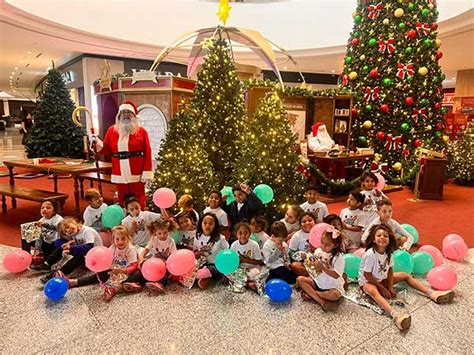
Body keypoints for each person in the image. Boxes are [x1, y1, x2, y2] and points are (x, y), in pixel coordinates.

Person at [359, 224, 454, 331]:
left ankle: (432, 293)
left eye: (385, 236)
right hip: (368, 281)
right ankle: (396, 315)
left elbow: (390, 270)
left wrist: (389, 286)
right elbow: (367, 275)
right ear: (374, 239)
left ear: (389, 239)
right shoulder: (370, 255)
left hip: (382, 278)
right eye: (379, 235)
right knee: (372, 290)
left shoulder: (388, 252)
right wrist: (382, 288)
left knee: (405, 275)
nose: (382, 237)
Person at [92, 101, 153, 209]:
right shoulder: (112, 130)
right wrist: (96, 141)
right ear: (119, 115)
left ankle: (140, 218)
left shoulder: (141, 132)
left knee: (138, 197)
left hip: (136, 171)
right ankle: (124, 219)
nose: (126, 115)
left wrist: (146, 171)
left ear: (134, 115)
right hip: (119, 171)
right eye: (123, 112)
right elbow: (105, 149)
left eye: (128, 112)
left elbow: (147, 152)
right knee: (122, 197)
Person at [66, 225, 139, 302]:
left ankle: (114, 289)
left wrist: (122, 271)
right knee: (97, 275)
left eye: (123, 238)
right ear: (113, 240)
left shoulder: (130, 250)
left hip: (125, 272)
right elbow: (106, 256)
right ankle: (76, 282)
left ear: (128, 238)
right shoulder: (113, 247)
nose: (120, 241)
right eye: (117, 239)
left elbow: (134, 266)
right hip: (114, 270)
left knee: (135, 275)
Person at [32, 217, 102, 283]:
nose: (68, 230)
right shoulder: (75, 233)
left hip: (95, 257)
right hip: (86, 254)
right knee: (61, 247)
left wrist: (71, 249)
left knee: (78, 256)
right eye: (65, 231)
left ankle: (59, 273)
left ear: (74, 222)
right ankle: (47, 264)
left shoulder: (87, 231)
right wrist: (69, 246)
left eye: (68, 227)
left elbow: (89, 247)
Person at [297, 225, 345, 311]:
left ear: (336, 245)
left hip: (332, 286)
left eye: (327, 244)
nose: (323, 246)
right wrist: (306, 258)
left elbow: (336, 275)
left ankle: (312, 295)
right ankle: (321, 301)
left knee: (335, 295)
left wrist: (323, 268)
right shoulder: (318, 251)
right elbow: (313, 265)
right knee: (300, 279)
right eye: (322, 242)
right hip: (318, 281)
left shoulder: (339, 257)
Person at [124, 219, 177, 293]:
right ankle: (133, 282)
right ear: (155, 232)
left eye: (165, 233)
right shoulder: (154, 239)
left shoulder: (171, 241)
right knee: (140, 271)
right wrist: (141, 258)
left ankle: (160, 284)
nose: (162, 235)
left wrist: (167, 263)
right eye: (159, 233)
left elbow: (174, 256)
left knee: (165, 273)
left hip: (165, 265)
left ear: (168, 231)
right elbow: (145, 250)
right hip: (153, 264)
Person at [193, 213, 229, 289]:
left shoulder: (220, 238)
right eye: (205, 223)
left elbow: (227, 252)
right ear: (201, 224)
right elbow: (195, 250)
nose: (207, 226)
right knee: (192, 270)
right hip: (201, 263)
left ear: (215, 225)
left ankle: (203, 276)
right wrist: (197, 253)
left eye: (211, 223)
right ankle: (204, 279)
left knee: (205, 272)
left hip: (215, 265)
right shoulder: (198, 236)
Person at [230, 222, 263, 290]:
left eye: (246, 233)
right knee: (229, 273)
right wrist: (238, 262)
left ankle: (243, 282)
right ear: (236, 234)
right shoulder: (234, 245)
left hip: (251, 268)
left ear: (250, 234)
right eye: (240, 233)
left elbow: (259, 261)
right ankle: (247, 283)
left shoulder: (254, 245)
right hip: (239, 269)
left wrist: (245, 260)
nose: (243, 235)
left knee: (255, 273)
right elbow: (231, 261)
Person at [289, 212, 317, 276]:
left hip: (320, 259)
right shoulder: (297, 236)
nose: (307, 223)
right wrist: (300, 256)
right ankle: (313, 276)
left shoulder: (320, 231)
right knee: (295, 265)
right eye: (304, 222)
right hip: (304, 262)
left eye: (310, 220)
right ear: (300, 224)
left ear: (315, 221)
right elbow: (291, 252)